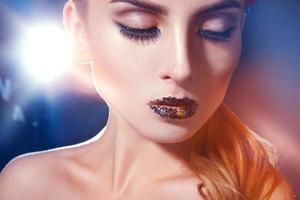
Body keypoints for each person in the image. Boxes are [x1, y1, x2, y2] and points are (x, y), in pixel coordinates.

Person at [0, 0, 295, 199]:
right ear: (79, 31)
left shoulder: (257, 193)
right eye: (139, 26)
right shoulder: (24, 184)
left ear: (240, 30)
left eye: (216, 30)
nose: (182, 68)